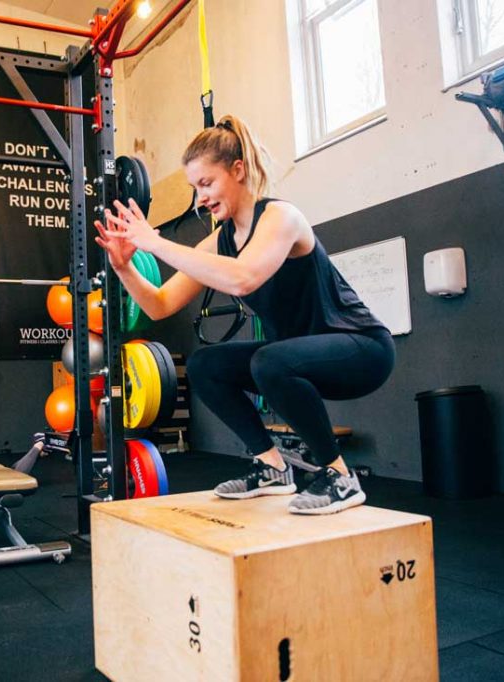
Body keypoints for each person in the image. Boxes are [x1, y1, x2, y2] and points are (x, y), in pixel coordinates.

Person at [94, 115, 395, 515]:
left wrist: (153, 241)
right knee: (206, 365)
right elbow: (159, 304)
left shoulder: (281, 217)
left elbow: (243, 279)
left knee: (269, 360)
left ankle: (340, 476)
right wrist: (123, 268)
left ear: (238, 170)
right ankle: (271, 467)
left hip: (364, 351)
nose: (200, 198)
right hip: (295, 356)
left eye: (206, 183)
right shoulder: (222, 239)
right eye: (194, 188)